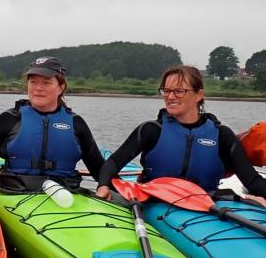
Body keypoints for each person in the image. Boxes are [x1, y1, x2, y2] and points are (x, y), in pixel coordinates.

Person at [96, 65, 266, 202]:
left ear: (199, 95)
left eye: (179, 91)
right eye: (166, 90)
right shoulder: (151, 130)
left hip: (206, 202)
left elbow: (251, 180)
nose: (170, 96)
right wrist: (103, 185)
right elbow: (114, 161)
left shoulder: (222, 135)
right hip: (155, 200)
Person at [0, 57, 104, 189]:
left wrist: (107, 186)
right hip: (15, 190)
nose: (38, 88)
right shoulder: (10, 119)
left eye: (46, 82)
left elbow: (97, 168)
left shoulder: (76, 123)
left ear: (61, 88)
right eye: (33, 82)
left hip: (66, 191)